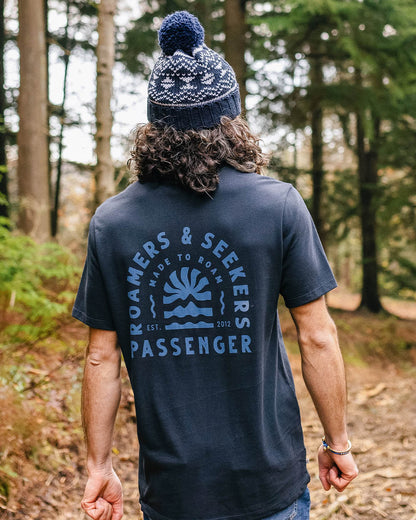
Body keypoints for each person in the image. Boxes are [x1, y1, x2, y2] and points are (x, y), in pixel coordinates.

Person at [73, 11, 358, 520]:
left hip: (173, 491)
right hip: (269, 484)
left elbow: (101, 357)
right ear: (231, 120)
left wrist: (99, 465)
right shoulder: (278, 205)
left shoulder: (112, 223)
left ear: (154, 127)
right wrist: (337, 442)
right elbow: (317, 335)